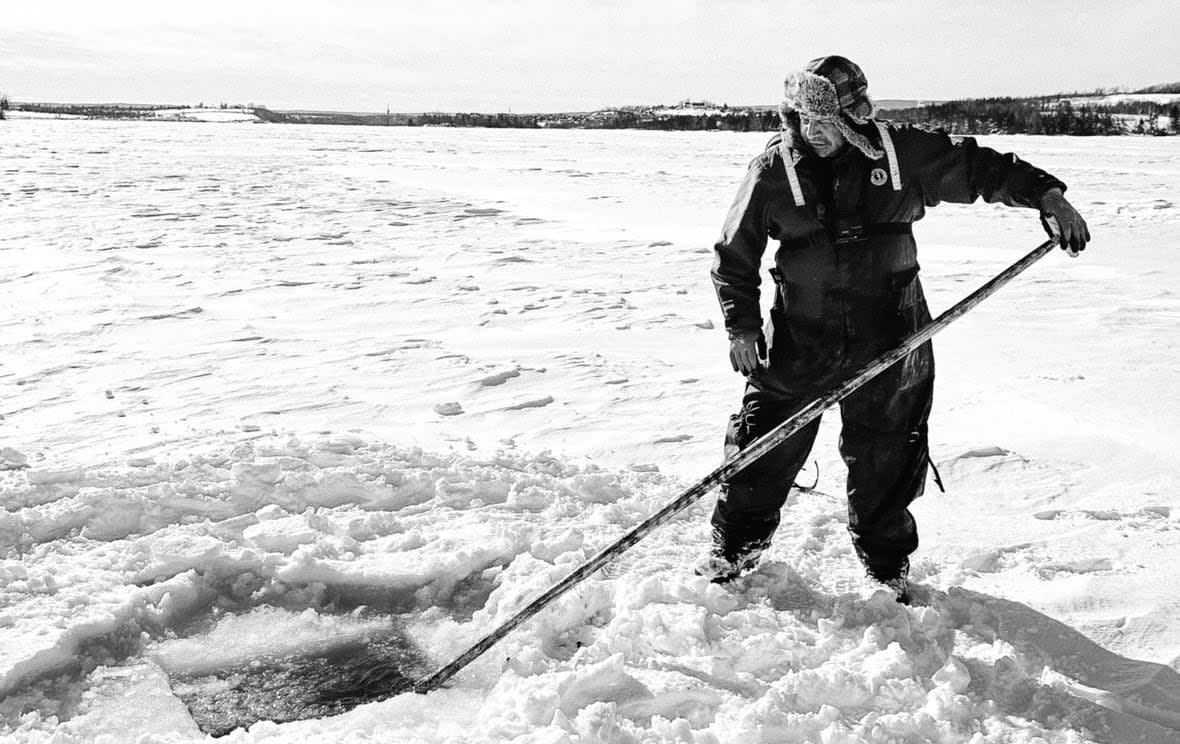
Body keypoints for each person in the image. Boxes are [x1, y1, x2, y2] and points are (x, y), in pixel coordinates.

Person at [700, 55, 1090, 602]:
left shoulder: (899, 153)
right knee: (763, 447)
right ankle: (733, 548)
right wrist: (741, 328)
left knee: (886, 456)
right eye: (805, 122)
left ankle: (886, 568)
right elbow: (734, 256)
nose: (816, 134)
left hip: (892, 333)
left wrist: (1047, 195)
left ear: (853, 114)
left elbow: (980, 169)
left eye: (827, 121)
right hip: (801, 337)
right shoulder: (773, 171)